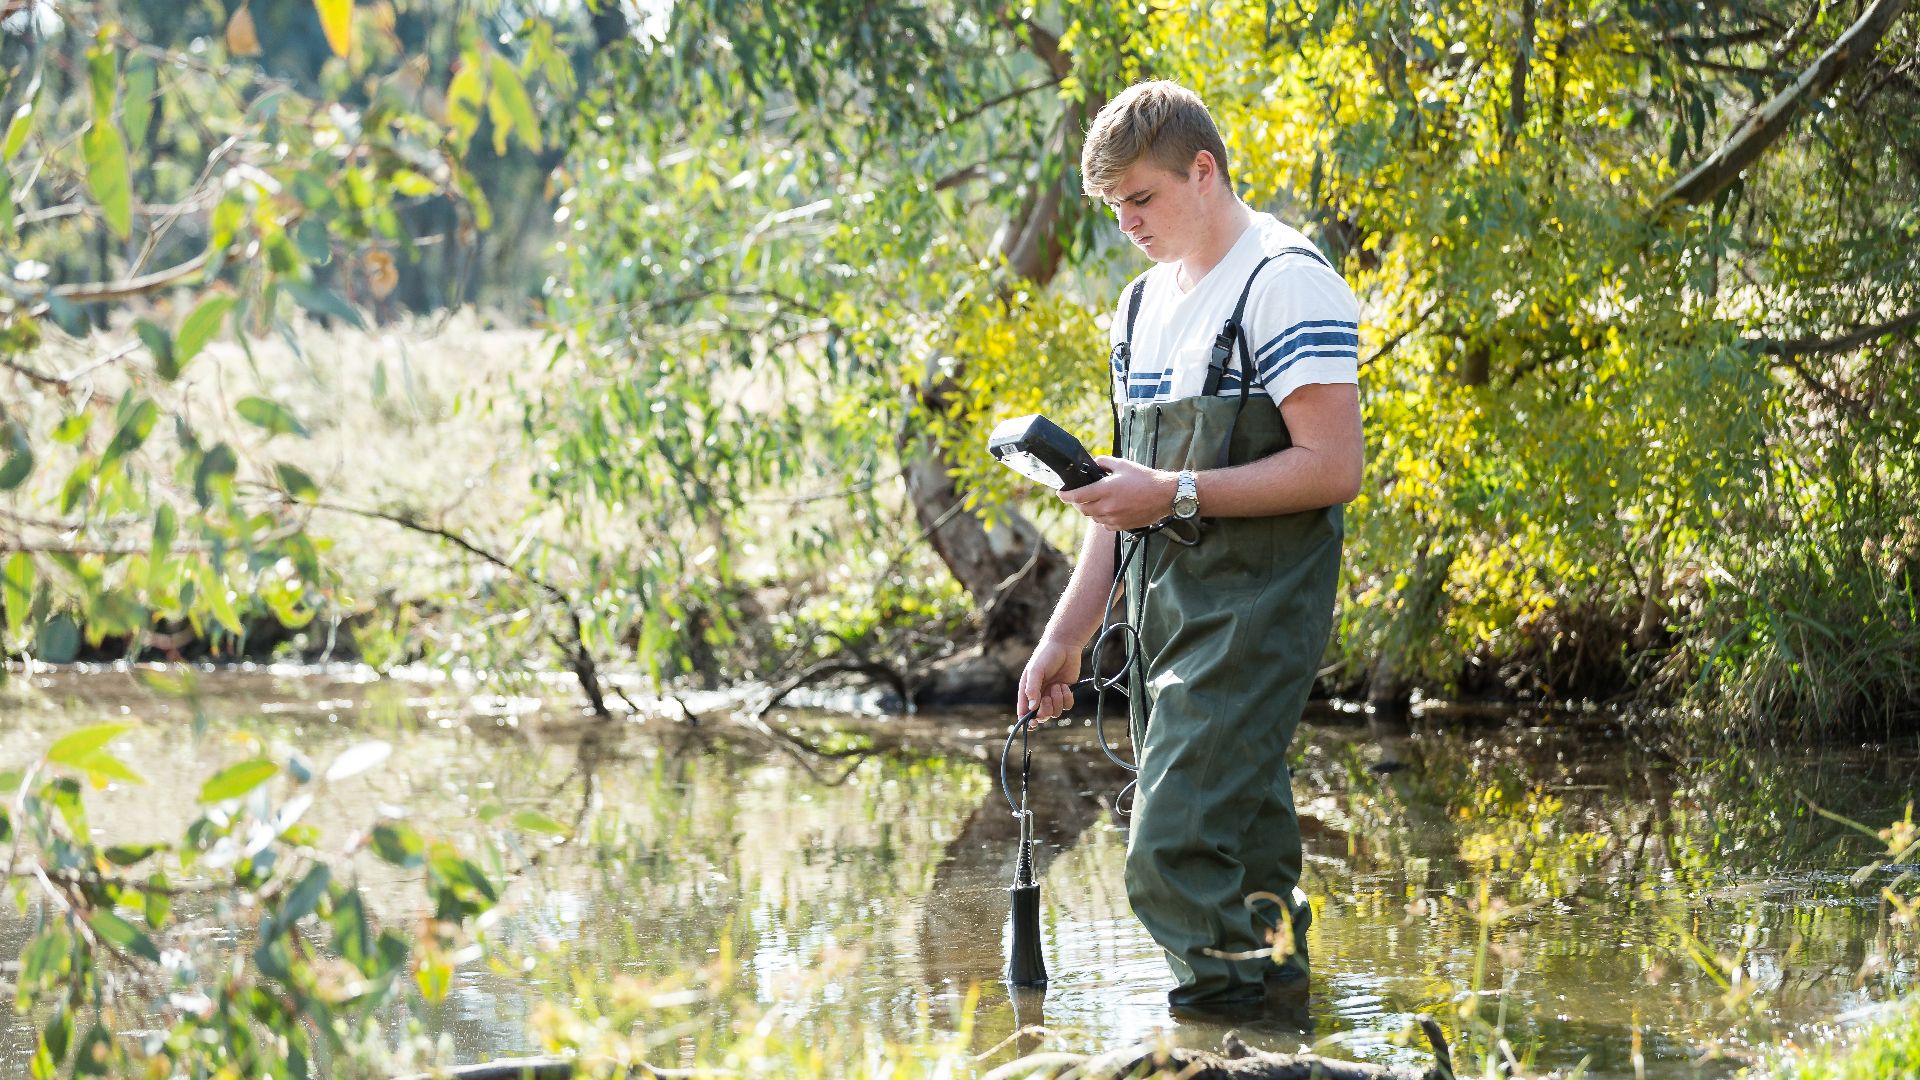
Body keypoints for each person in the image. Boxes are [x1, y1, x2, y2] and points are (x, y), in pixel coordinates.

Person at [1016, 80, 1364, 1020]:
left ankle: (1219, 1034)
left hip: (1259, 615)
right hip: (1169, 621)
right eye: (1113, 207)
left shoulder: (1284, 279)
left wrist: (1170, 490)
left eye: (1141, 198)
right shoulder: (1136, 309)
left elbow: (1334, 467)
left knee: (1169, 849)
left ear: (1202, 170)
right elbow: (1117, 502)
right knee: (1246, 849)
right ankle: (1288, 1028)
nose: (1126, 222)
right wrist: (1066, 636)